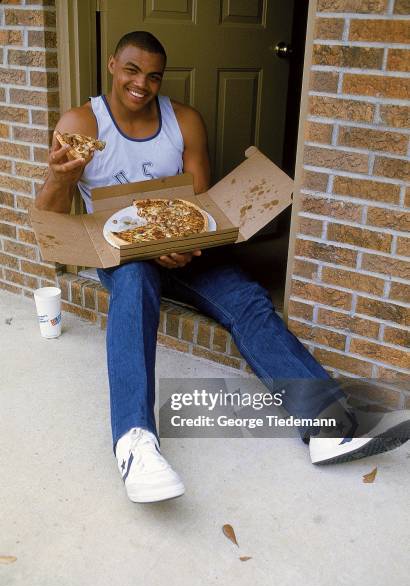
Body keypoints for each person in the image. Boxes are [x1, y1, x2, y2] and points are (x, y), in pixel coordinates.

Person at [35, 31, 409, 503]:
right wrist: (58, 176)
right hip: (122, 254)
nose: (141, 84)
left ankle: (326, 427)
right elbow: (50, 218)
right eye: (132, 70)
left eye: (153, 76)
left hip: (187, 248)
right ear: (113, 65)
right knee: (132, 284)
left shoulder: (184, 120)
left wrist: (186, 243)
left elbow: (197, 202)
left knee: (248, 300)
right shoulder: (81, 123)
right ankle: (134, 444)